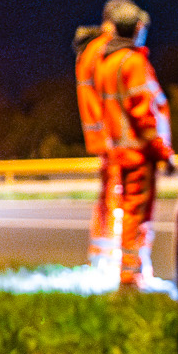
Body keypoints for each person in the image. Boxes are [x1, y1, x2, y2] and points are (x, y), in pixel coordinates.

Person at [94, 0, 172, 291]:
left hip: (120, 152)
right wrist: (161, 151)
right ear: (137, 28)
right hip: (139, 153)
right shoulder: (134, 63)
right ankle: (131, 277)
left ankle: (129, 272)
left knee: (128, 211)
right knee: (138, 215)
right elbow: (144, 112)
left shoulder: (106, 64)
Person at [72, 18, 116, 268]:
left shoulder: (86, 54)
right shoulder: (101, 51)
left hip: (101, 137)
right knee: (114, 198)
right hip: (112, 137)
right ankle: (108, 255)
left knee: (107, 197)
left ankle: (101, 252)